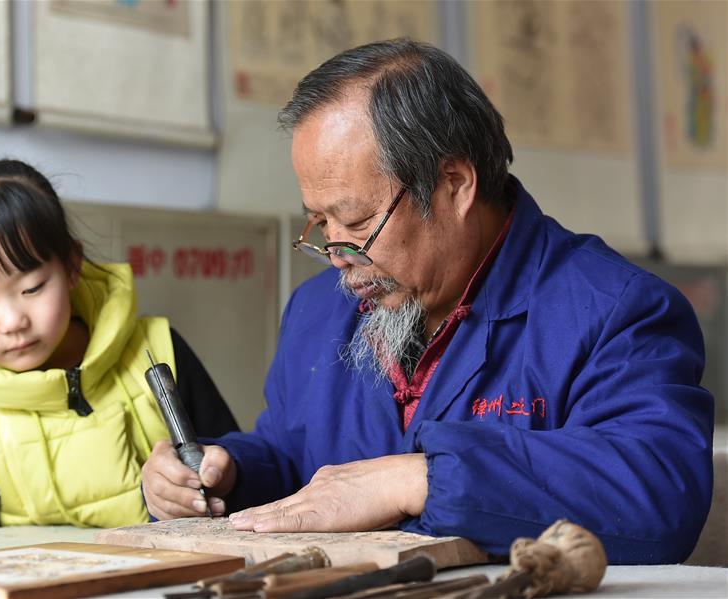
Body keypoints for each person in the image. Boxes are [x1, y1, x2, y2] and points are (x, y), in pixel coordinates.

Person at [141, 40, 714, 564]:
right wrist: (224, 474)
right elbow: (293, 458)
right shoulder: (317, 312)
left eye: (358, 221)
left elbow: (659, 495)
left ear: (456, 184)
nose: (337, 254)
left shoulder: (613, 309)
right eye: (320, 222)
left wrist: (420, 479)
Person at [0, 159, 238, 529]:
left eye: (32, 288)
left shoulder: (159, 351)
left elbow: (247, 472)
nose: (12, 322)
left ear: (72, 266)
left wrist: (215, 480)